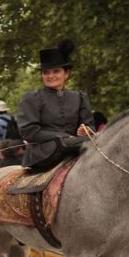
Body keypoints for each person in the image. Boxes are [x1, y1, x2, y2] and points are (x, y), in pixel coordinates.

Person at [16, 38, 95, 172]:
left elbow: (90, 127)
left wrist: (85, 131)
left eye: (56, 71)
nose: (50, 76)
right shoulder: (31, 98)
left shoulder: (79, 97)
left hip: (77, 147)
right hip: (43, 153)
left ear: (66, 74)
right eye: (46, 72)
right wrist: (64, 137)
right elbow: (28, 131)